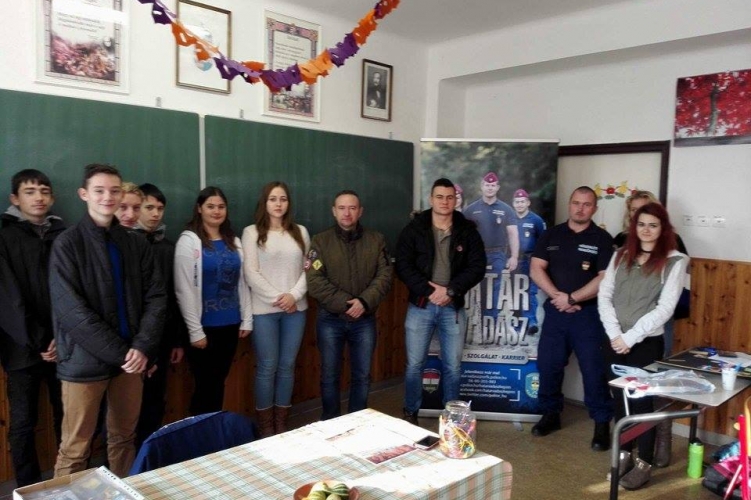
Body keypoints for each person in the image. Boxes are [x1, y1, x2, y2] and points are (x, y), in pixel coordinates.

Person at [49, 164, 166, 477]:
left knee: (124, 438)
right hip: (85, 363)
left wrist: (143, 346)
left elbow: (156, 297)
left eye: (114, 190)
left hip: (131, 361)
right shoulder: (67, 244)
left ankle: (124, 493)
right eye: (99, 190)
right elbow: (72, 312)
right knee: (75, 448)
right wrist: (124, 354)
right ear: (84, 194)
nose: (107, 197)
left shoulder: (135, 243)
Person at [599, 203, 689, 489]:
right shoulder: (620, 256)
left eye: (653, 225)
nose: (646, 230)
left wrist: (630, 338)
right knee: (620, 402)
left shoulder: (675, 261)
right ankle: (624, 454)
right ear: (634, 227)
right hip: (614, 341)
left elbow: (665, 309)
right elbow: (605, 296)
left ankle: (644, 463)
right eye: (641, 224)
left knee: (641, 404)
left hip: (645, 343)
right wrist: (615, 334)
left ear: (663, 228)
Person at [530, 186, 613, 451]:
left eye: (586, 204)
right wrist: (558, 296)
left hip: (588, 315)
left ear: (594, 209)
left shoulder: (602, 239)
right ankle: (550, 415)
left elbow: (604, 278)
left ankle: (601, 424)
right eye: (576, 203)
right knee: (548, 365)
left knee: (593, 370)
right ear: (569, 204)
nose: (580, 208)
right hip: (556, 311)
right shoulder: (551, 234)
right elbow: (536, 268)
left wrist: (573, 298)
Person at [396, 178, 485, 424]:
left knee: (453, 366)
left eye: (449, 197)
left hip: (452, 307)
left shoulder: (467, 231)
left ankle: (453, 418)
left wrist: (451, 291)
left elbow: (477, 267)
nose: (444, 202)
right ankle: (411, 412)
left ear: (455, 200)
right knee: (415, 364)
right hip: (420, 306)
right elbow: (403, 266)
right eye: (439, 197)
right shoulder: (414, 229)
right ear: (431, 199)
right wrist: (429, 291)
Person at [0, 170, 65, 486]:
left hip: (63, 345)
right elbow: (8, 298)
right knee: (24, 422)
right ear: (15, 198)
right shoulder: (4, 237)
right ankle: (28, 487)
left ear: (52, 198)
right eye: (29, 191)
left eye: (44, 191)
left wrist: (61, 337)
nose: (38, 197)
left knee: (67, 416)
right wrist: (41, 340)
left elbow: (72, 291)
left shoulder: (63, 234)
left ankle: (68, 480)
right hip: (21, 348)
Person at [306, 190, 392, 420]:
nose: (347, 213)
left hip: (364, 319)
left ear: (360, 211)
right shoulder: (320, 241)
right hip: (330, 320)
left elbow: (385, 276)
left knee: (362, 376)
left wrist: (364, 302)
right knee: (329, 375)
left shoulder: (376, 240)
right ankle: (330, 422)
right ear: (334, 211)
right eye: (342, 208)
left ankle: (357, 423)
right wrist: (347, 304)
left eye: (352, 208)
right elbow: (314, 281)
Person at [174, 186, 252, 416]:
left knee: (218, 383)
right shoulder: (189, 241)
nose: (216, 211)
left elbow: (242, 281)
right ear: (199, 209)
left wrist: (246, 319)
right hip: (203, 328)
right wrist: (195, 330)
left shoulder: (233, 241)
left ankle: (212, 431)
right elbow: (183, 289)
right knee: (204, 386)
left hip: (230, 323)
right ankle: (198, 433)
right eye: (210, 206)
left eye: (221, 206)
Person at [241, 182, 310, 437]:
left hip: (296, 310)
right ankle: (266, 425)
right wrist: (279, 298)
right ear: (265, 202)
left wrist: (293, 296)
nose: (278, 204)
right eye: (273, 199)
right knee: (267, 366)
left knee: (287, 366)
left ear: (288, 203)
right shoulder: (251, 233)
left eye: (283, 199)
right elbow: (250, 272)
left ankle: (281, 422)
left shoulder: (301, 232)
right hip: (264, 311)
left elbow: (309, 268)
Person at [132, 183, 187, 447]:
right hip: (133, 344)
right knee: (128, 407)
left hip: (162, 338)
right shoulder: (126, 244)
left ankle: (149, 454)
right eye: (149, 207)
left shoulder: (167, 247)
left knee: (155, 402)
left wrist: (177, 339)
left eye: (160, 208)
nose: (155, 214)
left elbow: (172, 295)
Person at [463, 172, 520, 332]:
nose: (490, 187)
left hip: (497, 254)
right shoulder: (471, 210)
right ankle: (470, 323)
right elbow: (463, 235)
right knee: (474, 287)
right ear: (482, 186)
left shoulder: (506, 209)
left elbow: (513, 234)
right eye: (487, 185)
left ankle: (489, 324)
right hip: (476, 255)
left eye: (493, 185)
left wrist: (514, 256)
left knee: (494, 288)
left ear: (497, 187)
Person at [511, 189, 546, 335]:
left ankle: (531, 322)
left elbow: (543, 242)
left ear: (528, 203)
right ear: (513, 204)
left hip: (531, 260)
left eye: (522, 201)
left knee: (530, 292)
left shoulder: (536, 220)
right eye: (517, 202)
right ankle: (518, 322)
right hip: (515, 261)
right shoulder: (510, 219)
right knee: (516, 292)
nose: (520, 204)